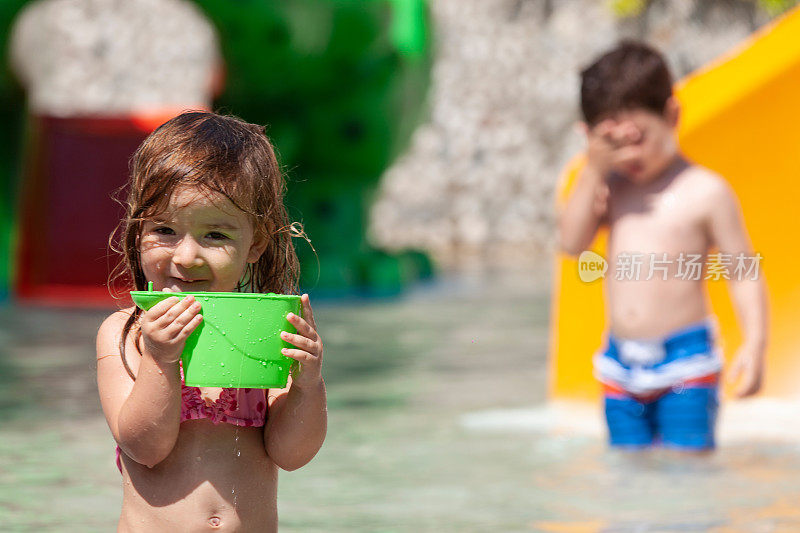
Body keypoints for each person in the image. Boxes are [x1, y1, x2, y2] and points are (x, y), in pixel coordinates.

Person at [96, 111, 327, 531]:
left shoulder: (265, 329)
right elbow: (145, 447)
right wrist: (161, 360)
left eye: (215, 235)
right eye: (164, 230)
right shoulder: (124, 333)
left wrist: (308, 384)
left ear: (255, 242)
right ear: (137, 228)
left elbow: (292, 454)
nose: (186, 257)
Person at [559, 41, 767, 451]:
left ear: (672, 115)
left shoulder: (705, 191)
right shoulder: (609, 189)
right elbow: (571, 244)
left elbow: (743, 271)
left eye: (638, 138)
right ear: (590, 138)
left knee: (687, 467)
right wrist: (591, 173)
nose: (628, 154)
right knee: (627, 474)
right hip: (620, 365)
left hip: (687, 363)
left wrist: (755, 342)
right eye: (612, 144)